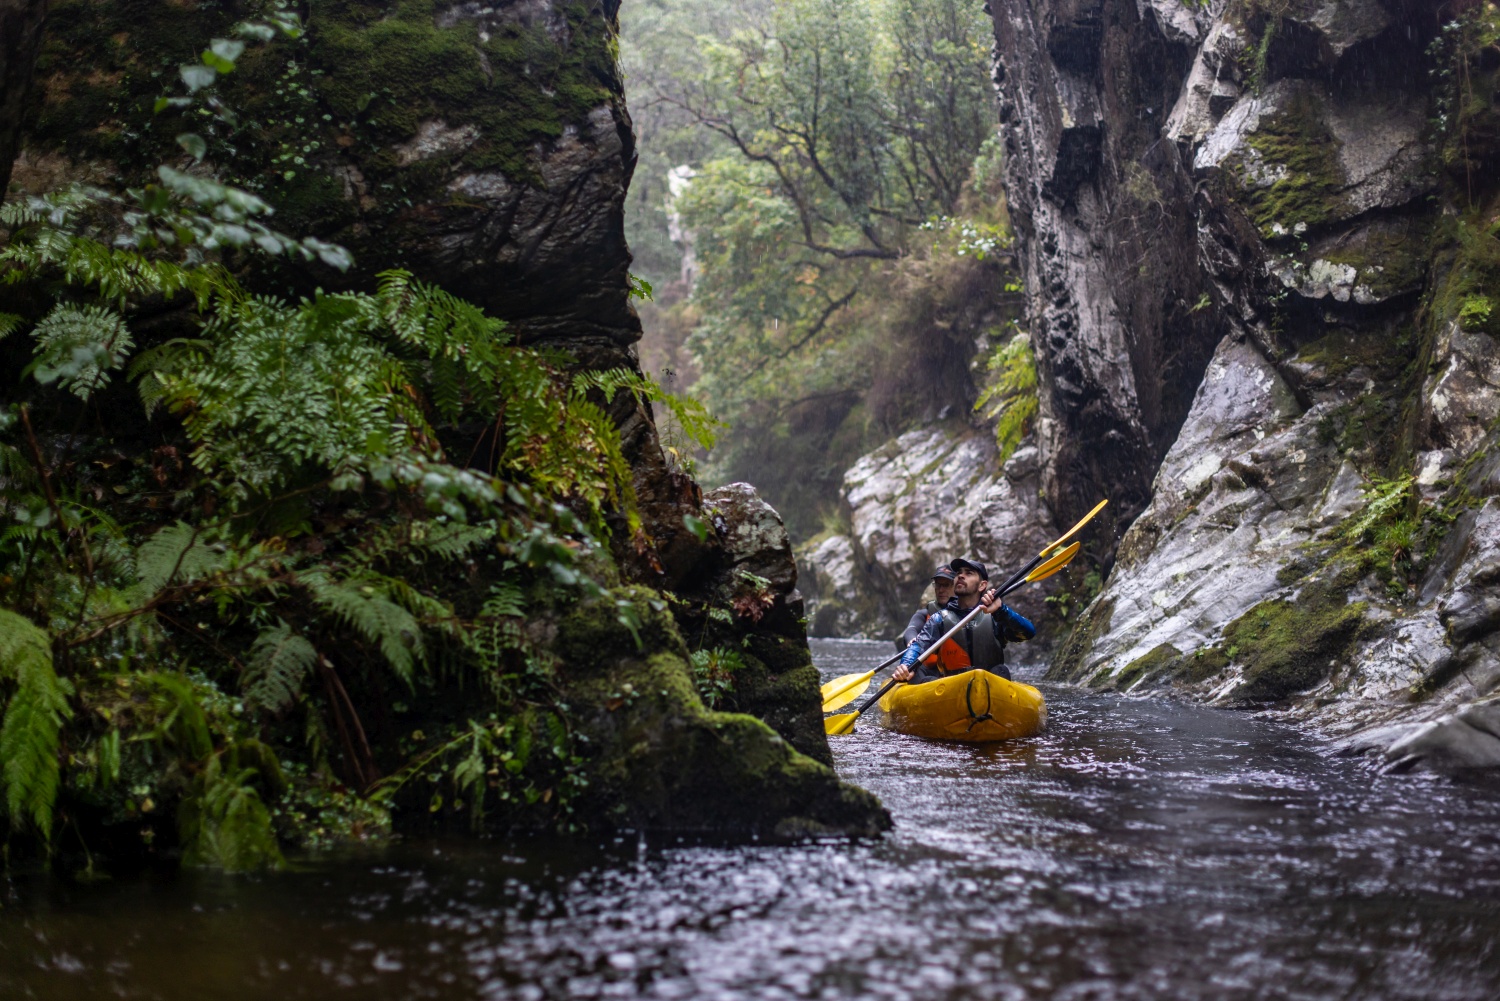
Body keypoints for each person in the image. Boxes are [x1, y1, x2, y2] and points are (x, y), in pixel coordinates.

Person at [893, 557, 1034, 684]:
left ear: (982, 585)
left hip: (990, 686)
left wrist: (1002, 610)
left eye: (968, 573)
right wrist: (906, 665)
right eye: (959, 572)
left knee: (1001, 671)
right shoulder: (939, 619)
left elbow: (1028, 632)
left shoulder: (995, 616)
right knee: (921, 676)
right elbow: (919, 646)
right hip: (951, 686)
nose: (960, 575)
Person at [895, 566, 956, 651]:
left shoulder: (966, 613)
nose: (941, 590)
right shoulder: (924, 614)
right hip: (930, 663)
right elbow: (911, 630)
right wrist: (912, 641)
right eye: (938, 585)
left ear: (956, 586)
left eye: (946, 585)